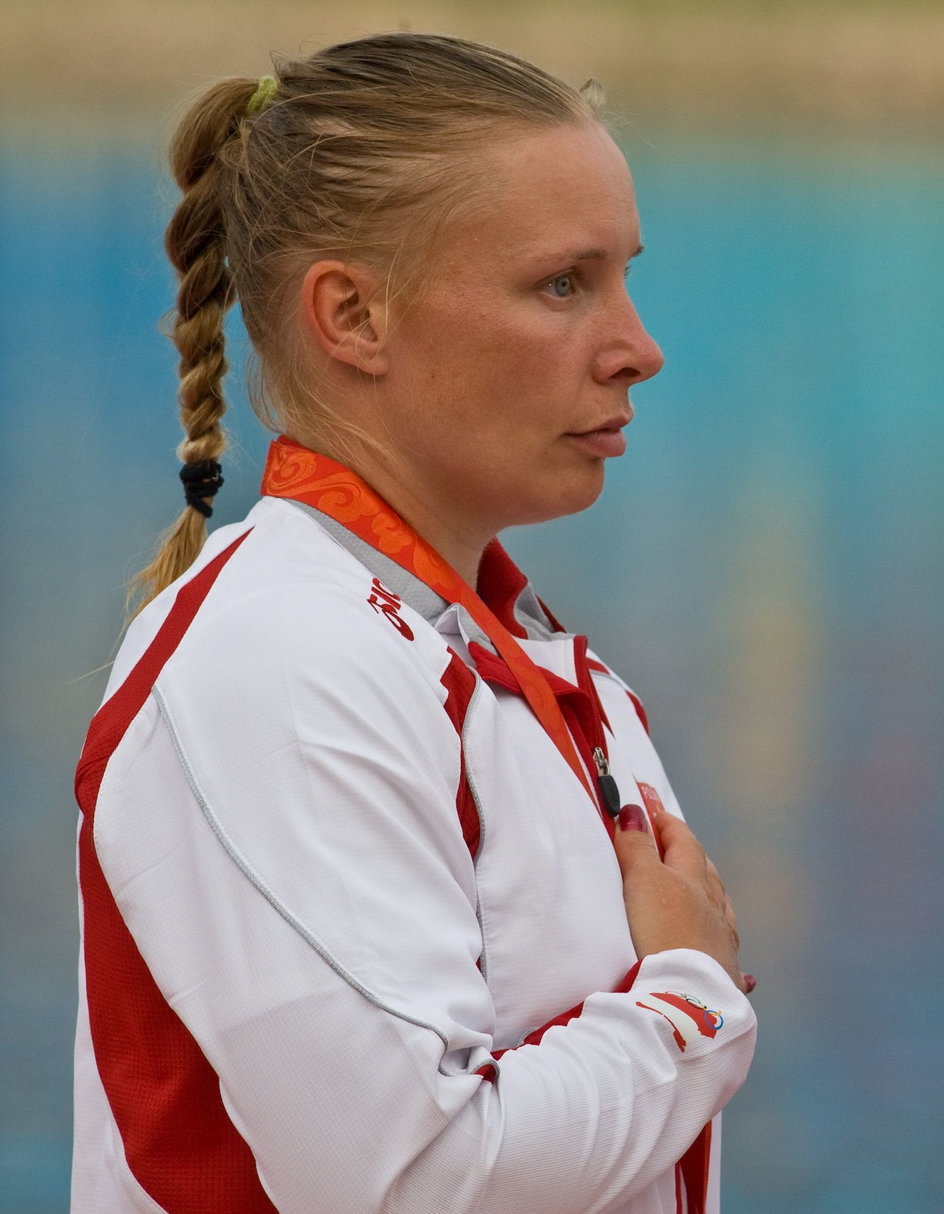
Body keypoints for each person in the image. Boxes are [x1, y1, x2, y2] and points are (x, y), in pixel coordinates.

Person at [73, 32, 756, 1214]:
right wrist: (689, 998)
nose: (635, 349)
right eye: (561, 284)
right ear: (353, 316)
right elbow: (413, 1179)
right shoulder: (278, 663)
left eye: (623, 275)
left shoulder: (495, 645)